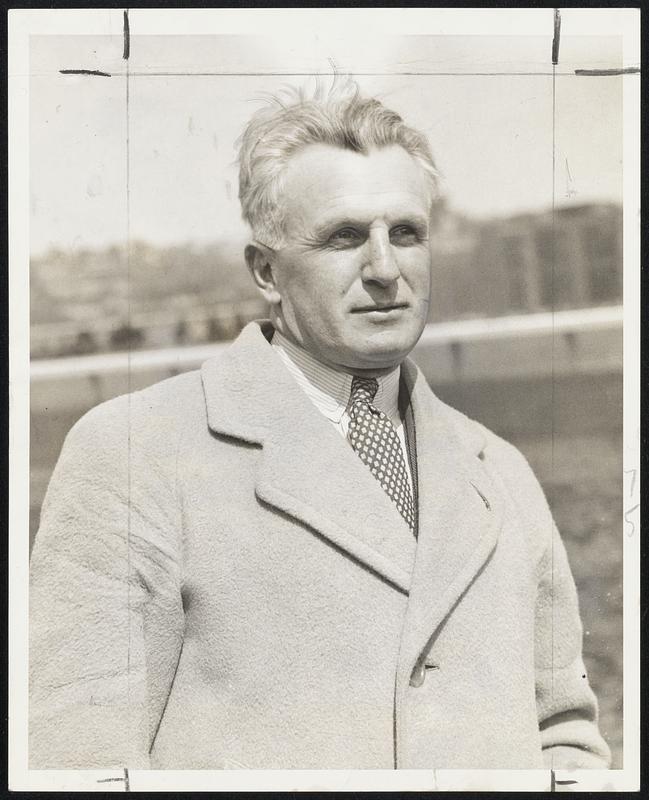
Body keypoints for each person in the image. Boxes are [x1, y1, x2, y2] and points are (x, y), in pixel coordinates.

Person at [29, 77, 611, 771]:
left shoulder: (500, 468)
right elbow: (80, 756)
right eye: (343, 237)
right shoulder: (132, 453)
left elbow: (565, 734)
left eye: (405, 232)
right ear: (265, 272)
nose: (385, 269)